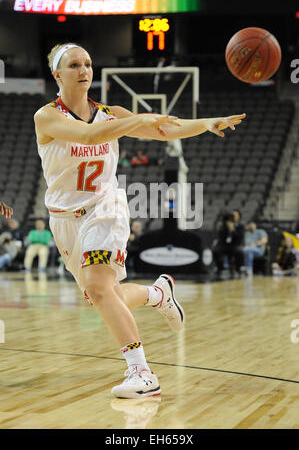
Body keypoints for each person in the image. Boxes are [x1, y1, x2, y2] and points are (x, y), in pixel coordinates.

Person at [33, 42, 246, 399]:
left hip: (105, 209)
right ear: (57, 74)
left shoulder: (110, 113)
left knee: (100, 289)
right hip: (64, 219)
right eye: (73, 65)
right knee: (103, 296)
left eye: (87, 63)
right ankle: (156, 293)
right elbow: (88, 135)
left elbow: (165, 129)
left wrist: (204, 123)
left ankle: (142, 373)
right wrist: (137, 119)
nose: (84, 70)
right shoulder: (47, 116)